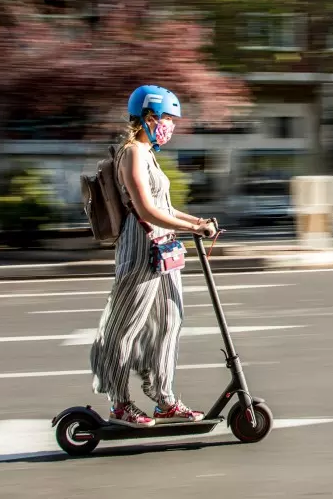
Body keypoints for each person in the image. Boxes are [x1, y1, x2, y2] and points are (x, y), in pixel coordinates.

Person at [89, 85, 218, 428]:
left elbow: (163, 206)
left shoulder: (148, 153)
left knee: (168, 323)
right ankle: (120, 403)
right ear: (149, 117)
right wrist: (194, 230)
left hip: (163, 247)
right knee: (125, 326)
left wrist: (197, 222)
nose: (171, 126)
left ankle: (164, 400)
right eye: (167, 119)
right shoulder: (132, 153)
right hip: (140, 245)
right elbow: (145, 209)